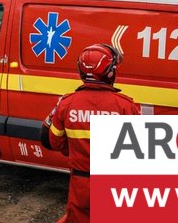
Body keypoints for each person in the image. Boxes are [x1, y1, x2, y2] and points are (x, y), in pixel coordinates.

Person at [43, 43, 141, 223]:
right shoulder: (126, 107)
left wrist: (74, 150)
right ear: (110, 73)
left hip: (80, 184)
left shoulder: (67, 104)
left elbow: (53, 141)